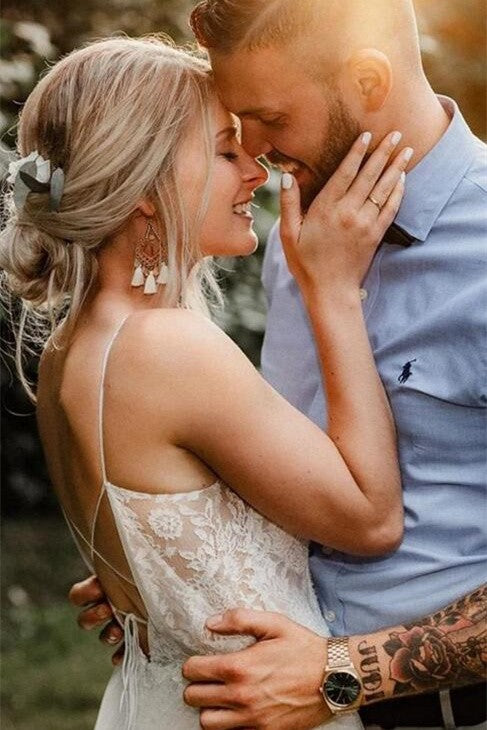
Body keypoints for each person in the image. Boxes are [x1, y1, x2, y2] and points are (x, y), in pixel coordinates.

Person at [72, 1, 487, 728]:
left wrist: (343, 674)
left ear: (366, 79)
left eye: (265, 116)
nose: (254, 153)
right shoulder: (294, 243)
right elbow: (287, 475)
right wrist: (171, 570)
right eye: (234, 127)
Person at [0, 34, 418, 730]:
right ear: (143, 187)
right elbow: (370, 520)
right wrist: (334, 292)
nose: (255, 171)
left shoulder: (75, 344)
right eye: (226, 152)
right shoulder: (166, 347)